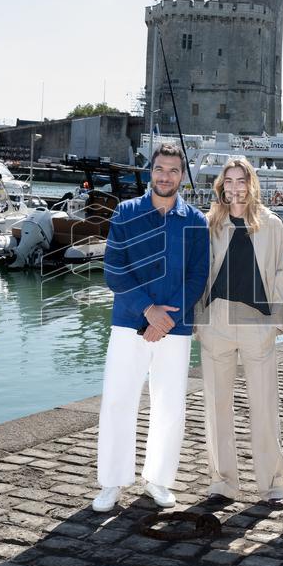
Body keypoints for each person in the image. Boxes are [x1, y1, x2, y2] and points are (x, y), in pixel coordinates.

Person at [92, 144, 209, 512]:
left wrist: (166, 318)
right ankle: (112, 482)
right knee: (117, 401)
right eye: (160, 169)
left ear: (182, 176)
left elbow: (198, 275)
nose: (165, 176)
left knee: (170, 405)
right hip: (129, 323)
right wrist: (147, 309)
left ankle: (158, 480)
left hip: (175, 327)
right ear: (150, 171)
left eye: (173, 170)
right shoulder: (126, 212)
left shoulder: (196, 220)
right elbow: (114, 267)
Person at [196, 157, 283, 508]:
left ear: (251, 184)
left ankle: (272, 485)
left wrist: (278, 322)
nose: (235, 187)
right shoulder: (210, 223)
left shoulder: (272, 224)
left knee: (263, 405)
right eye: (229, 180)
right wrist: (198, 323)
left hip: (257, 324)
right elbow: (198, 275)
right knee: (217, 406)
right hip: (216, 321)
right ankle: (222, 482)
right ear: (221, 184)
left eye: (241, 180)